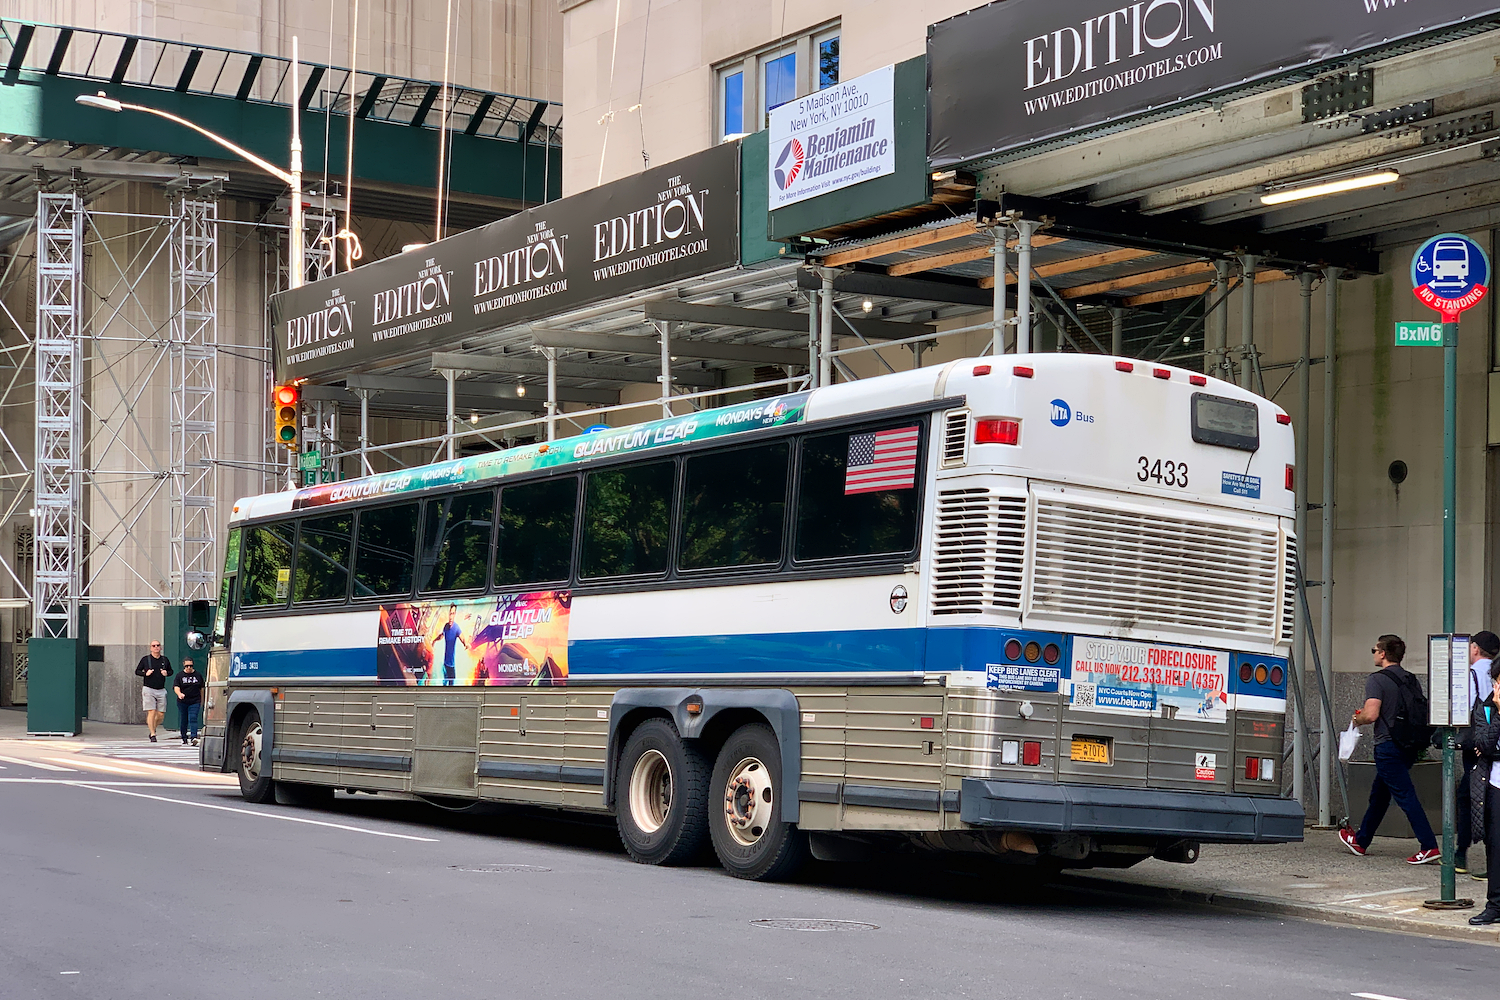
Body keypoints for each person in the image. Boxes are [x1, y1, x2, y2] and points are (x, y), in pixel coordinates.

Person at [1339, 634, 1441, 864]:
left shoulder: (1377, 680)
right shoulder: (1410, 678)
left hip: (1387, 745)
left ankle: (1429, 845)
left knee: (1405, 795)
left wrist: (1357, 719)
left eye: (1374, 650)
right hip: (1408, 744)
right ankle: (1361, 840)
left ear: (1383, 653)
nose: (1373, 653)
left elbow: (1372, 713)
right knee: (1380, 795)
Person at [1458, 631, 1499, 877]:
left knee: (1471, 796)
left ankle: (1462, 852)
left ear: (1475, 648)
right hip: (1492, 742)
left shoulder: (1471, 674)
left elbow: (1468, 710)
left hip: (1479, 743)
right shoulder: (1493, 673)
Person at [1464, 662, 1500, 925]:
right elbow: (1484, 743)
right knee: (1495, 846)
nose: (1497, 688)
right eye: (1496, 682)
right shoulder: (1487, 707)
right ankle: (1495, 904)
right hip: (1494, 784)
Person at [134, 640, 173, 743]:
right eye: (153, 646)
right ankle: (152, 734)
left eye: (158, 645)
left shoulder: (164, 660)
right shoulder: (146, 659)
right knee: (151, 711)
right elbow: (137, 671)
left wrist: (166, 673)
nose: (156, 647)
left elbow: (171, 671)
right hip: (149, 688)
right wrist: (145, 674)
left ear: (160, 647)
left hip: (161, 689)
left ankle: (153, 727)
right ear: (150, 648)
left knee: (160, 714)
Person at [432, 604, 468, 687]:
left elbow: (462, 637)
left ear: (455, 615)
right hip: (445, 664)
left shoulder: (456, 628)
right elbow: (442, 635)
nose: (451, 616)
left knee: (451, 687)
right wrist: (434, 641)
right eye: (450, 614)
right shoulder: (446, 626)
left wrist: (465, 644)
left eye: (453, 614)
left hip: (451, 665)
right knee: (444, 685)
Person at [173, 657, 204, 747]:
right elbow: (176, 686)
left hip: (195, 700)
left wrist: (202, 700)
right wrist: (179, 694)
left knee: (193, 717)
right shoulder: (180, 676)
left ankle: (193, 737)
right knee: (184, 719)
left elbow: (201, 688)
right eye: (187, 666)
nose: (189, 668)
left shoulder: (198, 675)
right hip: (183, 701)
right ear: (184, 665)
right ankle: (184, 737)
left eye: (190, 666)